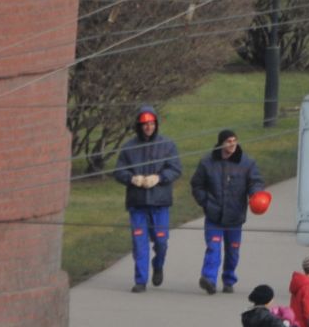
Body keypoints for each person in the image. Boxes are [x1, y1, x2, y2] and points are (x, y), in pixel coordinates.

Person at [110, 105, 182, 294]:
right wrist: (132, 179)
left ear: (156, 124)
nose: (148, 127)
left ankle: (158, 265)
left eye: (151, 124)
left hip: (160, 204)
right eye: (144, 124)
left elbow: (175, 169)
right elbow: (118, 171)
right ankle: (140, 280)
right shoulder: (129, 148)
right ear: (139, 126)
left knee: (161, 242)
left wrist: (159, 178)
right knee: (139, 243)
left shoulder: (168, 145)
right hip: (137, 203)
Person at [190, 129, 265, 295]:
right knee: (213, 247)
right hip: (214, 216)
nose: (232, 144)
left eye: (234, 140)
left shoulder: (247, 163)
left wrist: (256, 194)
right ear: (221, 143)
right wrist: (206, 202)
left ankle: (229, 279)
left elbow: (255, 182)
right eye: (228, 141)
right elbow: (197, 185)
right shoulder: (207, 163)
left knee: (233, 251)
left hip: (235, 217)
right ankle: (209, 279)